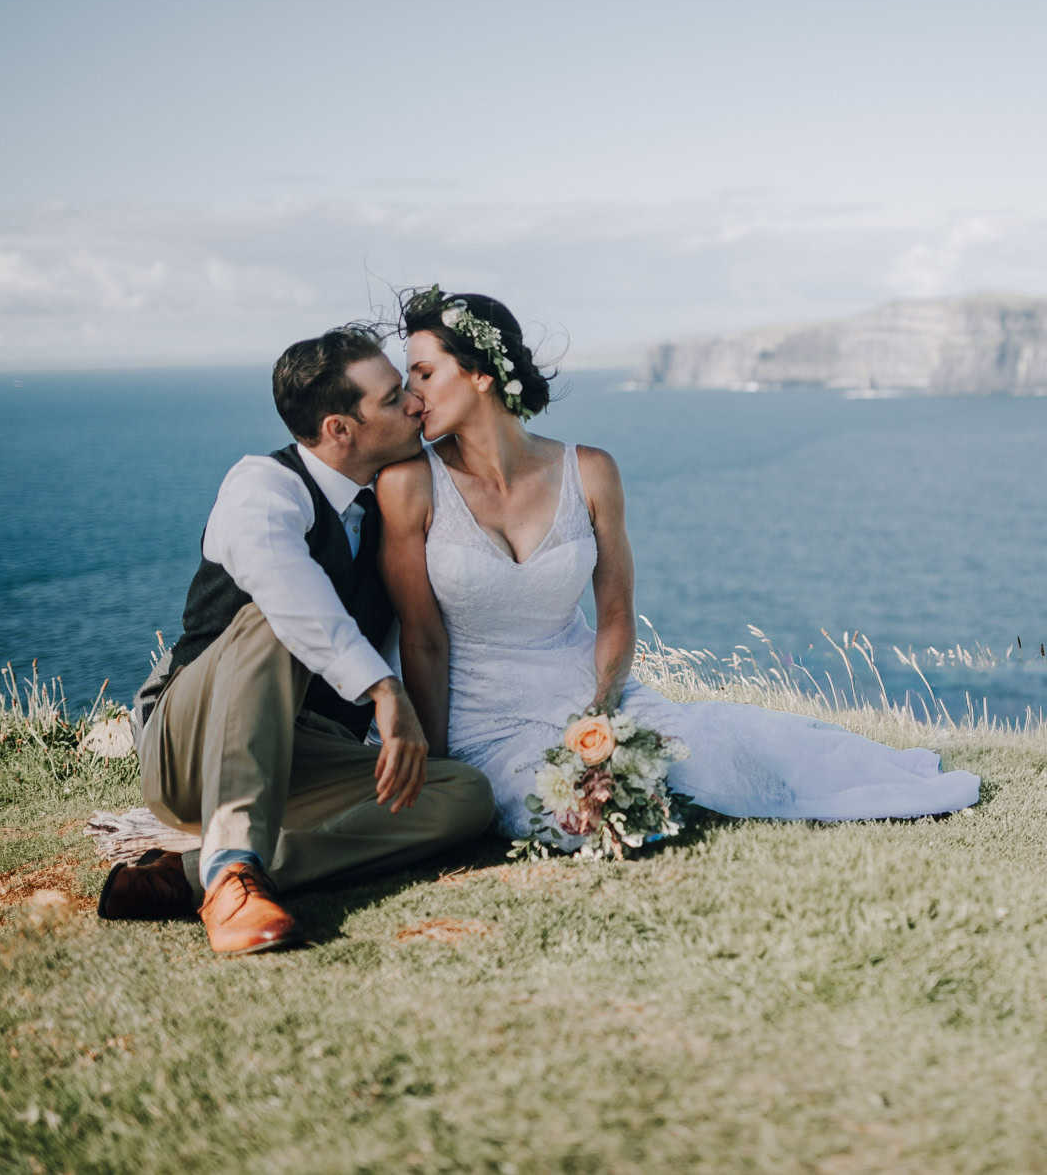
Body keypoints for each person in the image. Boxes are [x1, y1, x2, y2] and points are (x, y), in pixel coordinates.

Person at [376, 287, 980, 842]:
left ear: (481, 374)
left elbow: (615, 612)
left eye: (425, 373)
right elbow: (422, 641)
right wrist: (440, 762)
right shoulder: (410, 486)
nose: (411, 396)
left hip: (592, 696)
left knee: (720, 762)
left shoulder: (589, 472)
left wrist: (602, 710)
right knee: (580, 819)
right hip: (485, 723)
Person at [101, 327, 497, 954]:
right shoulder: (261, 485)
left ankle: (191, 875)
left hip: (304, 753)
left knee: (463, 795)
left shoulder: (393, 502)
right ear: (341, 429)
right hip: (190, 745)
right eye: (395, 399)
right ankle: (231, 872)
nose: (415, 405)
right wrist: (383, 689)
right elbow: (284, 585)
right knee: (270, 616)